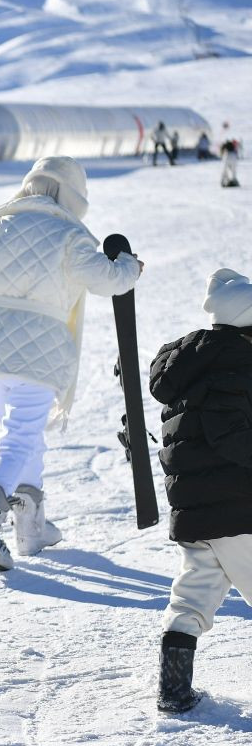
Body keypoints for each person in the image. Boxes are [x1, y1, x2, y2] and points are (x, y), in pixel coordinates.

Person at [0, 156, 142, 570]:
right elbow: (107, 280)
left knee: (25, 436)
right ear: (72, 194)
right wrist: (130, 267)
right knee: (19, 439)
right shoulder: (71, 233)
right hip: (39, 358)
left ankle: (31, 526)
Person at [148, 268, 252, 713]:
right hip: (240, 511)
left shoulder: (190, 367)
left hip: (195, 511)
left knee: (191, 600)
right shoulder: (236, 366)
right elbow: (231, 434)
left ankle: (174, 691)